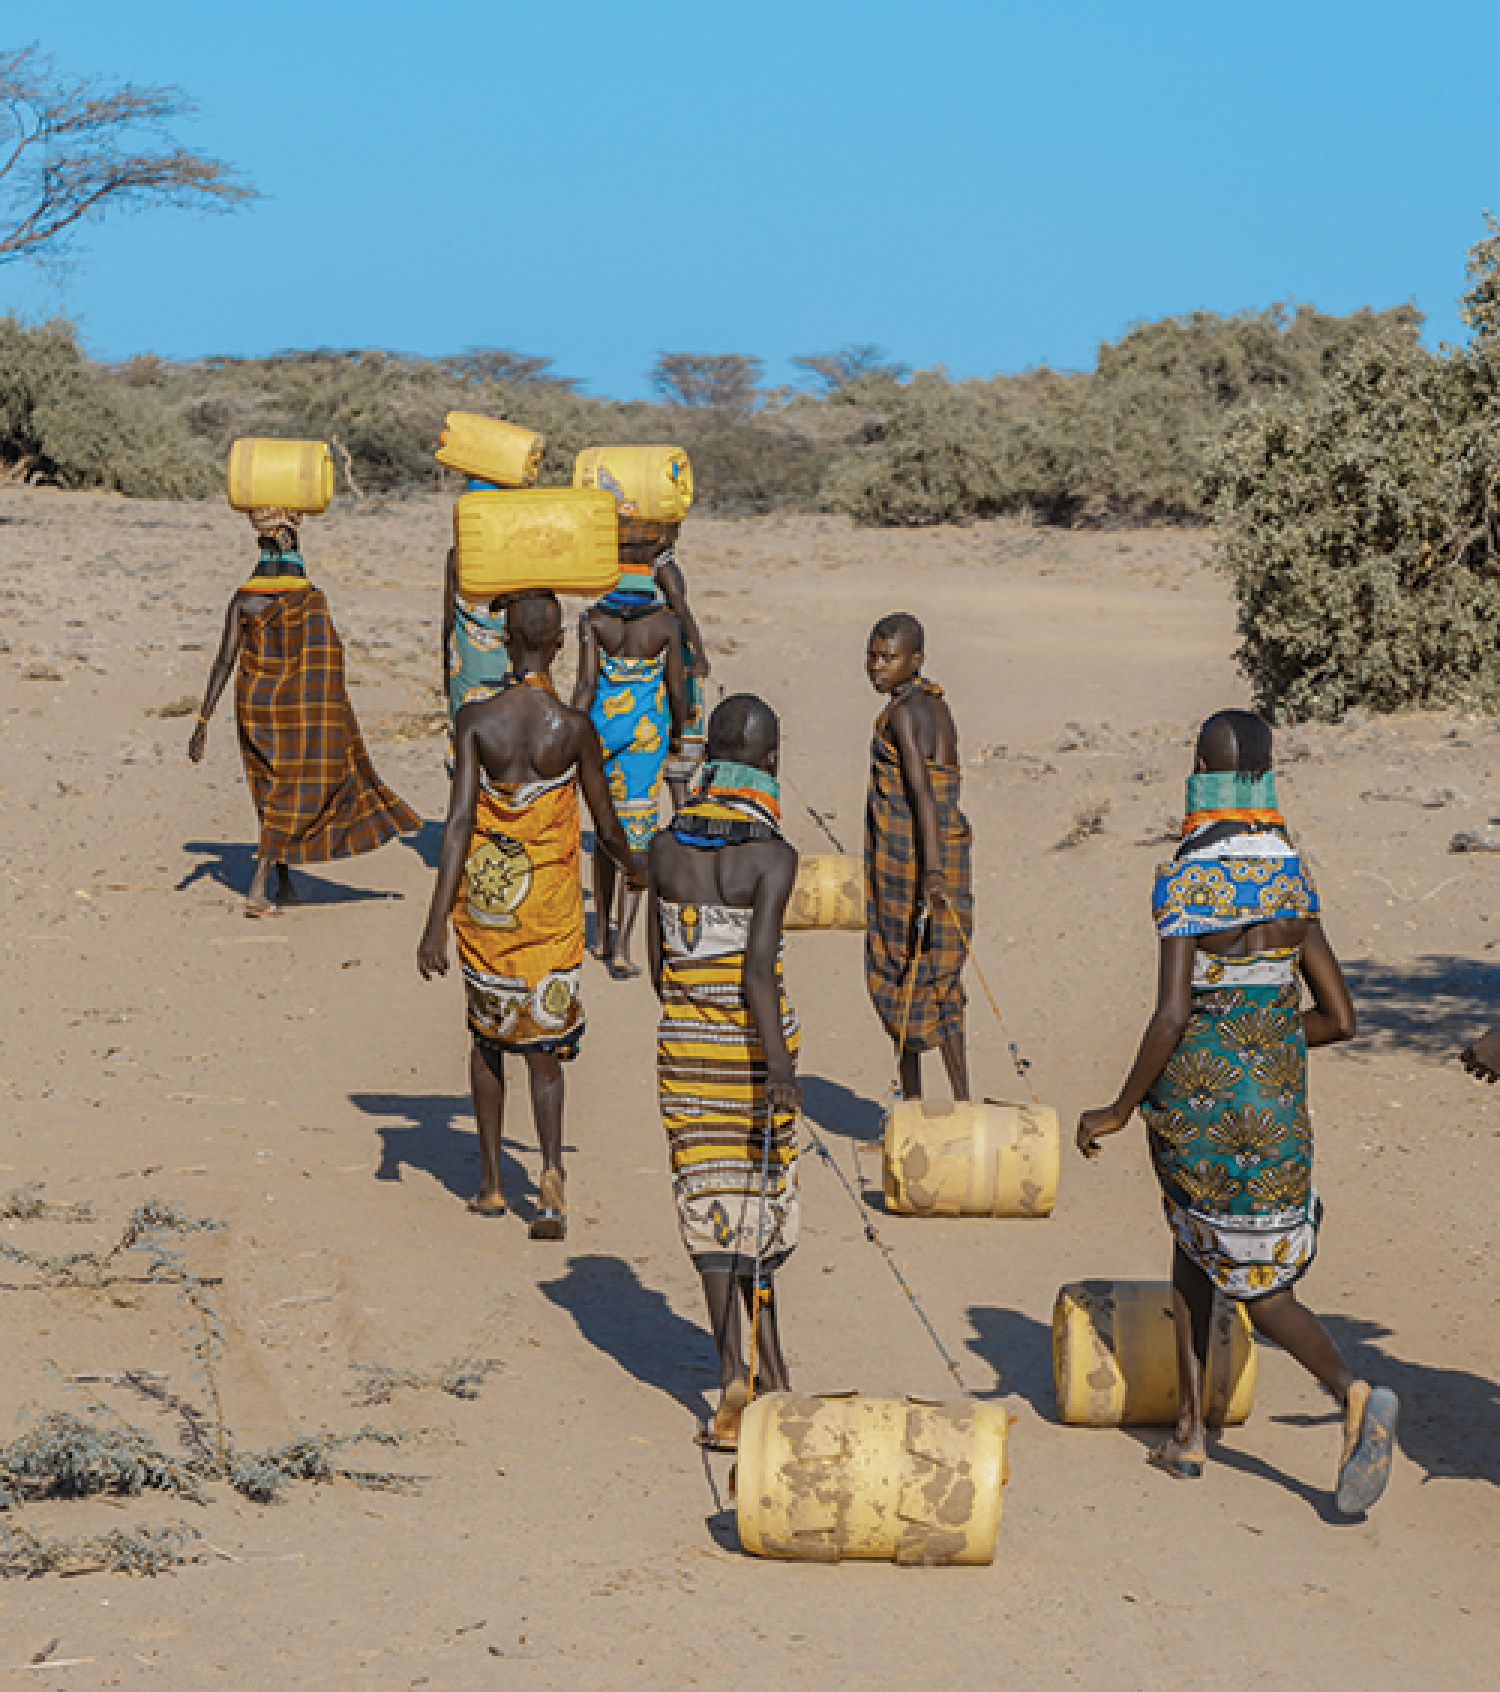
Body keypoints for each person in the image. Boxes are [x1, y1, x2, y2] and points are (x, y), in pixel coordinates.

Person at [1077, 709, 1399, 1515]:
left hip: (1200, 1113)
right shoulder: (1293, 879)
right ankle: (1189, 1430)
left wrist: (1118, 1109)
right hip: (1279, 1110)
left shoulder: (1189, 878)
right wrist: (1264, 1043)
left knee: (1261, 1289)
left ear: (1202, 773)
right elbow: (1342, 1018)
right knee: (1197, 1245)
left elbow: (1171, 1016)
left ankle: (1353, 1393)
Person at [417, 590, 643, 1239]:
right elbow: (607, 824)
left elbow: (459, 822)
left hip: (489, 911)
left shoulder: (476, 719)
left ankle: (490, 1184)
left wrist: (435, 922)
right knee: (544, 1052)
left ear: (504, 640)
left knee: (487, 1039)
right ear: (561, 643)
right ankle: (548, 1178)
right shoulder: (573, 728)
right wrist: (639, 869)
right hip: (547, 914)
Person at [647, 695, 801, 1452]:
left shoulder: (664, 845)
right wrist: (778, 1067)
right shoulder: (773, 858)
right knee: (759, 1199)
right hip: (750, 1050)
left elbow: (656, 963)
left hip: (683, 1041)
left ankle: (738, 1374)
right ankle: (771, 1372)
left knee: (706, 1201)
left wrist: (688, 1011)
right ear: (770, 763)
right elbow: (759, 975)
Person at [189, 507, 420, 917]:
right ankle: (258, 891)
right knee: (289, 791)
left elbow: (224, 660)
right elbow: (327, 663)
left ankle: (283, 881)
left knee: (271, 789)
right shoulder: (311, 601)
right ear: (292, 543)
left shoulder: (244, 600)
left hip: (256, 708)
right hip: (304, 711)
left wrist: (203, 720)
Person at [863, 612, 973, 1101]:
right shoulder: (936, 704)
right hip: (945, 851)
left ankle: (919, 1107)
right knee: (935, 978)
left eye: (889, 657)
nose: (877, 666)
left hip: (913, 864)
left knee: (903, 972)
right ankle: (949, 1103)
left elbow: (924, 795)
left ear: (916, 660)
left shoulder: (905, 715)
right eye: (873, 655)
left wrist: (930, 872)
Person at [571, 527, 686, 979]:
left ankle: (600, 933)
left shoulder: (593, 620)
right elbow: (676, 689)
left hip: (600, 733)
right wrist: (679, 733)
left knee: (605, 831)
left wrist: (571, 734)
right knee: (637, 840)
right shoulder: (664, 624)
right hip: (645, 740)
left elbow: (584, 686)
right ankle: (620, 947)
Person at [650, 525, 712, 811]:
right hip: (671, 657)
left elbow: (682, 611)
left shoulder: (664, 569)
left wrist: (698, 654)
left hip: (674, 659)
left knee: (678, 752)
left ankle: (681, 816)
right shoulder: (659, 568)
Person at [442, 478, 511, 722]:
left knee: (466, 727)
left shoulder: (457, 557)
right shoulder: (516, 557)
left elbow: (448, 617)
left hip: (467, 658)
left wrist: (446, 666)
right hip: (506, 654)